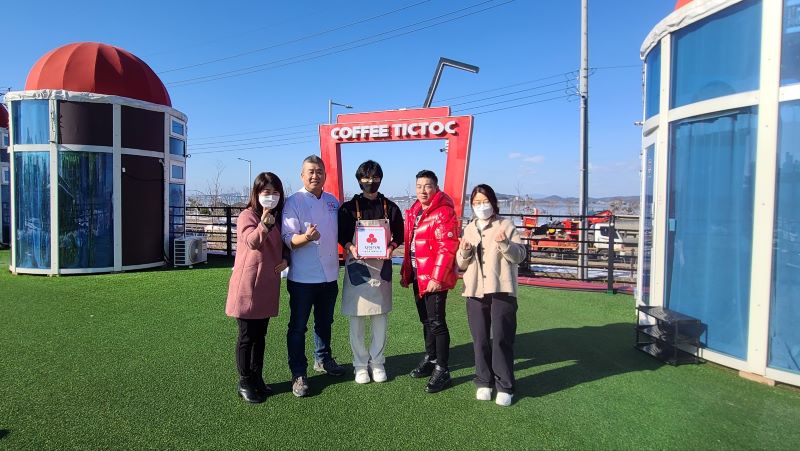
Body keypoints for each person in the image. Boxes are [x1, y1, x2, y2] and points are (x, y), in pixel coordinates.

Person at [456, 184, 527, 407]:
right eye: (476, 203)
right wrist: (464, 251)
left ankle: (505, 385)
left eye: (484, 201)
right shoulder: (469, 228)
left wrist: (504, 243)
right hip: (475, 290)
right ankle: (483, 381)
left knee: (502, 338)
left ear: (493, 202)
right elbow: (461, 263)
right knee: (480, 339)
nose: (481, 206)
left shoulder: (506, 225)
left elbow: (520, 256)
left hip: (502, 290)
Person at [282, 155, 344, 397]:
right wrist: (306, 237)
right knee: (298, 327)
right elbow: (288, 239)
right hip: (302, 278)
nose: (315, 175)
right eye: (310, 171)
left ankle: (323, 359)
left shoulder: (332, 201)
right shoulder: (293, 202)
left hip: (329, 275)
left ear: (325, 175)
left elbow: (343, 231)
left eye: (319, 171)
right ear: (302, 175)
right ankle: (298, 373)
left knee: (325, 323)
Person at [338, 160, 404, 384]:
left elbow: (399, 235)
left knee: (380, 317)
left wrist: (391, 247)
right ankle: (359, 365)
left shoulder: (390, 207)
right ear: (359, 180)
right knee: (356, 318)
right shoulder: (348, 208)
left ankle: (377, 362)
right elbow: (341, 235)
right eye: (366, 178)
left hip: (381, 267)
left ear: (381, 179)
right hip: (357, 266)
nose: (370, 182)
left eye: (375, 178)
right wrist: (350, 247)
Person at [225, 172, 289, 404]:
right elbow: (252, 241)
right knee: (246, 336)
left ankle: (257, 377)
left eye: (275, 192)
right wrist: (264, 224)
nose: (271, 196)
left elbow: (284, 243)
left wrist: (286, 259)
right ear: (257, 193)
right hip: (248, 284)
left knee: (260, 335)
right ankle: (244, 381)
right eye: (266, 192)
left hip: (267, 283)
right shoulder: (247, 215)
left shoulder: (278, 218)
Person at [400, 169, 459, 393]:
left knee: (437, 323)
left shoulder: (443, 212)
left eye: (427, 186)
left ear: (436, 187)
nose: (423, 191)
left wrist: (437, 277)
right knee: (426, 320)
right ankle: (431, 357)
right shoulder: (416, 210)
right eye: (419, 186)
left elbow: (447, 247)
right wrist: (407, 272)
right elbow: (410, 244)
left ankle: (443, 369)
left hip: (434, 278)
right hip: (418, 274)